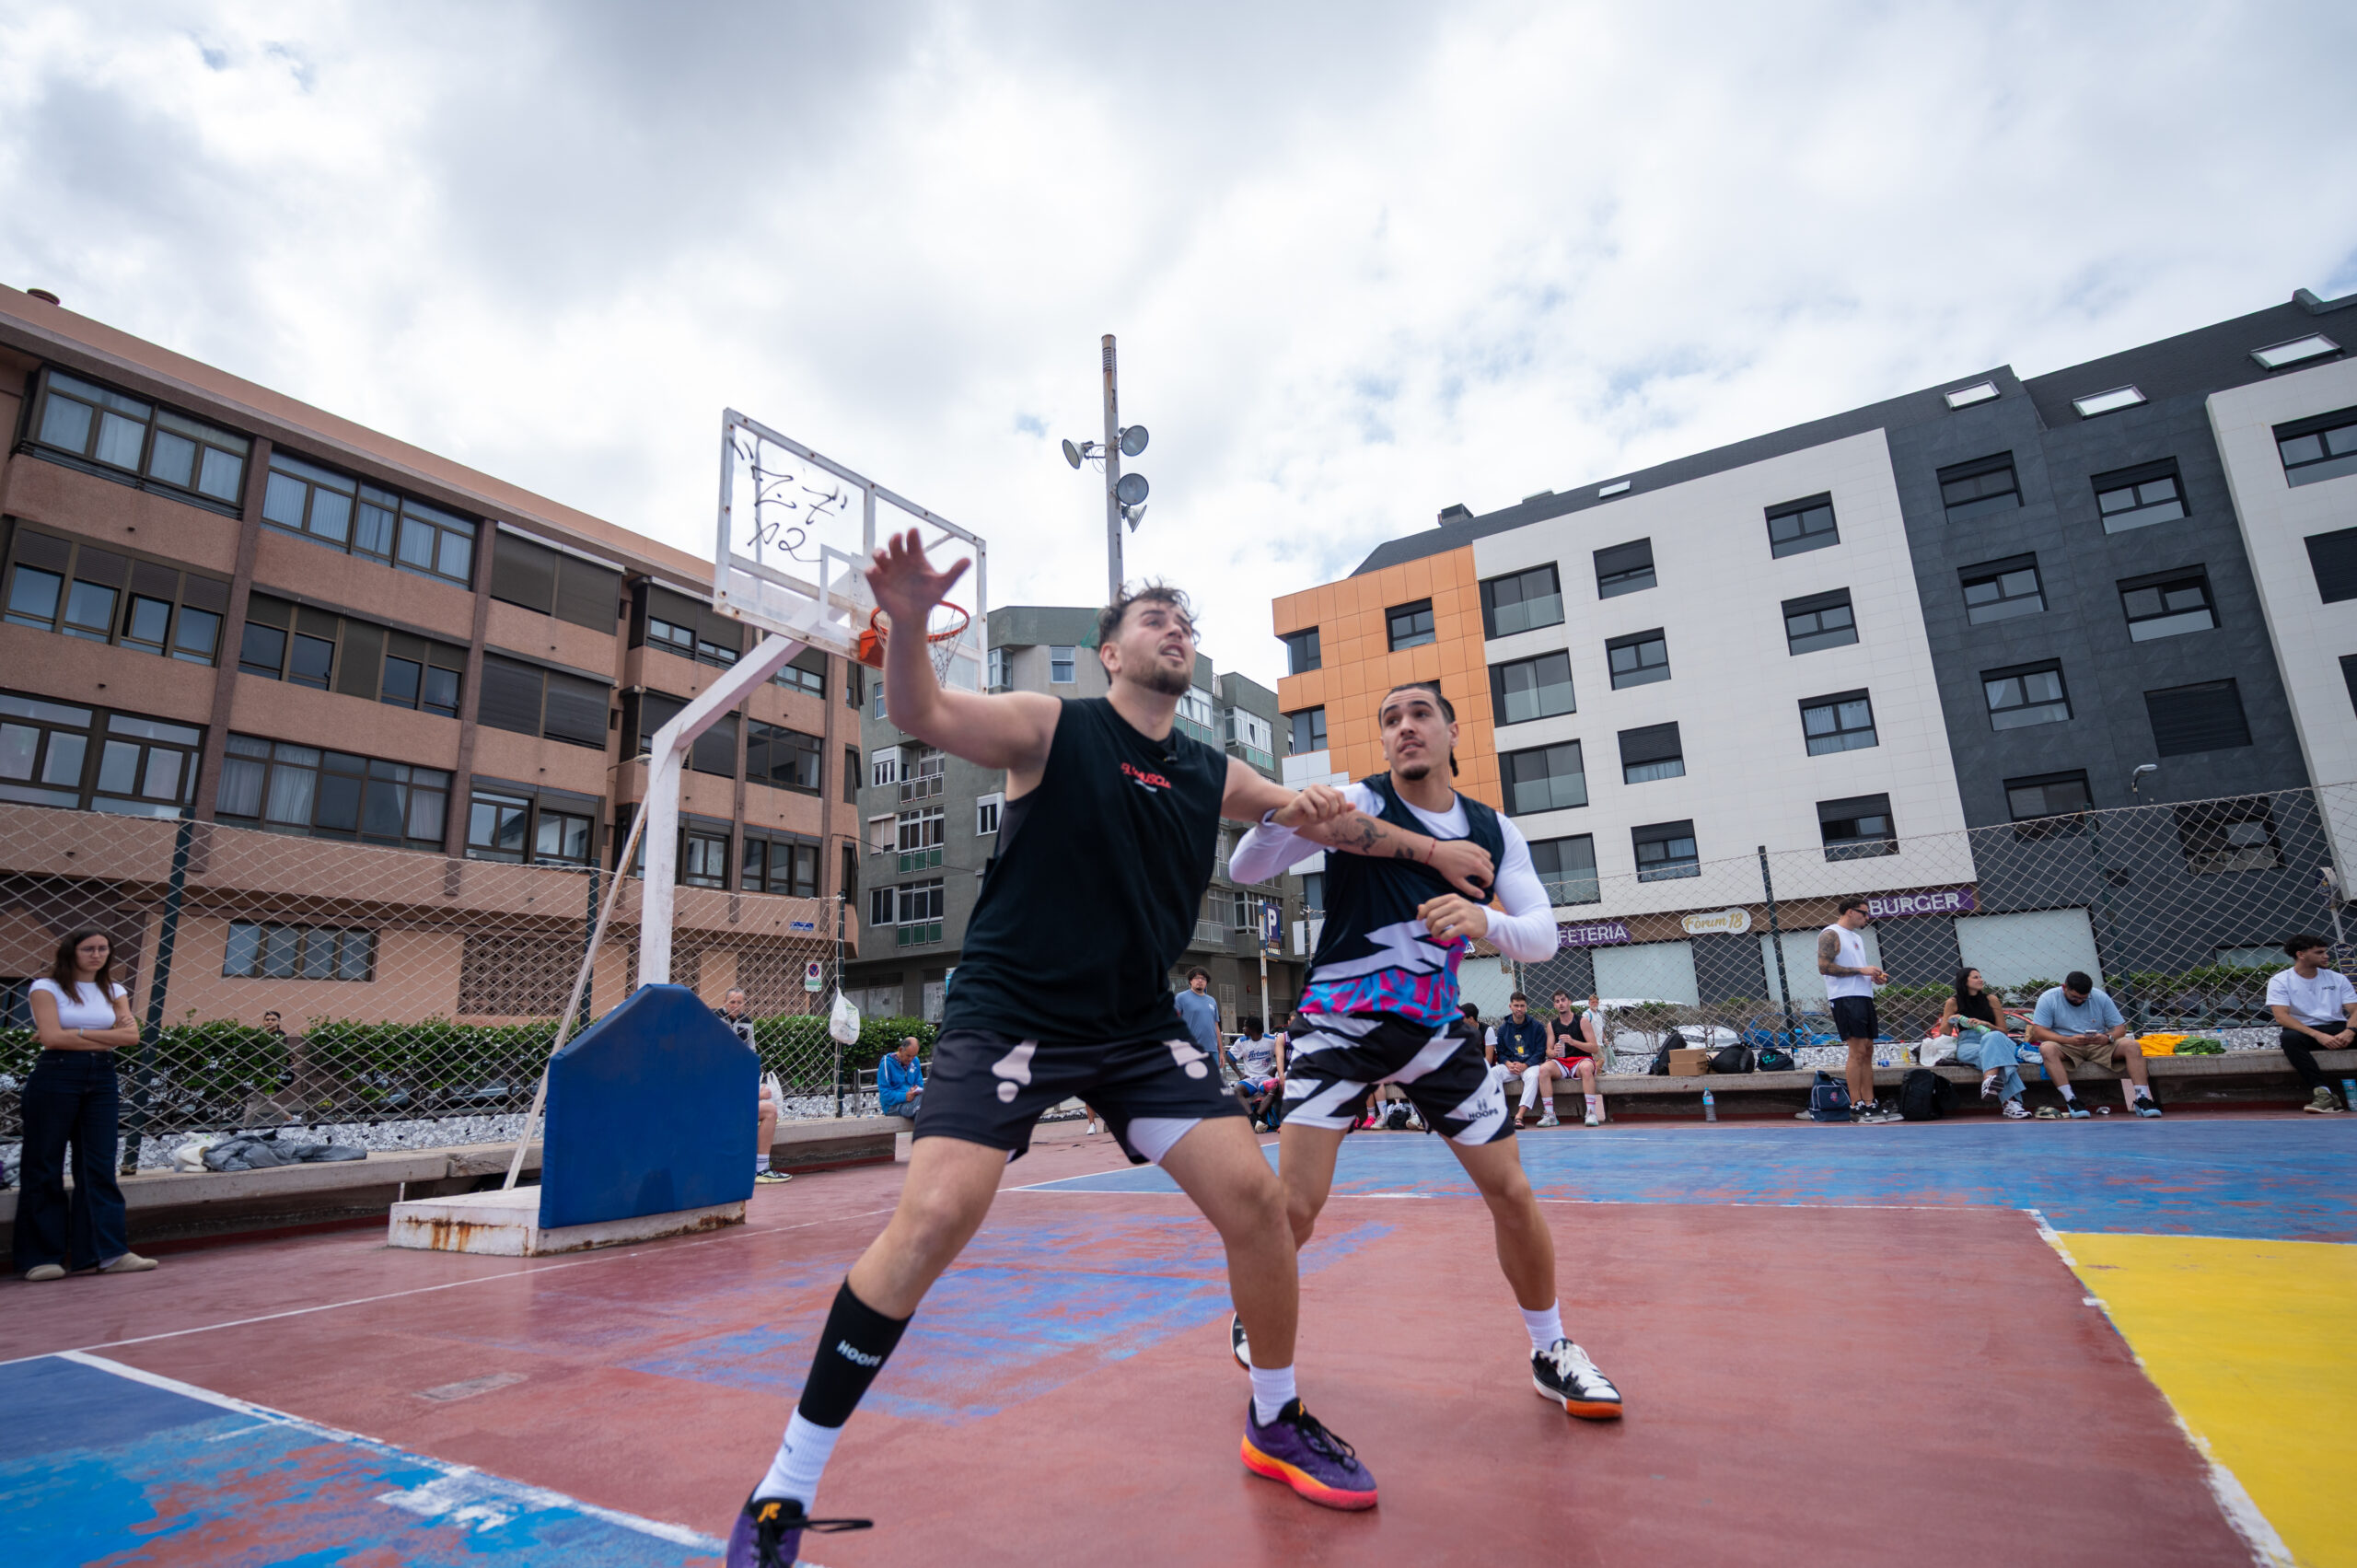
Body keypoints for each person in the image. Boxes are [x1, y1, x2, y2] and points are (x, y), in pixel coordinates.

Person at [726, 544, 1496, 1565]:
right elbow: (924, 711)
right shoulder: (1052, 727)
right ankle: (784, 1486)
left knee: (1259, 1206)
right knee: (936, 1216)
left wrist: (1428, 848)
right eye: (1153, 619)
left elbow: (1335, 825)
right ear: (1109, 654)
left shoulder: (1210, 770)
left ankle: (1275, 1416)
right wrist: (906, 626)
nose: (1175, 629)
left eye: (1185, 622)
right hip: (1013, 1011)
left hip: (1136, 1027)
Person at [1228, 679, 1622, 1429]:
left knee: (1512, 1192)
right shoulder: (1359, 801)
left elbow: (1543, 935)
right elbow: (1249, 869)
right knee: (1296, 1206)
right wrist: (1286, 814)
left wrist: (1484, 919)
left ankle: (1551, 1347)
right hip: (1338, 1025)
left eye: (1420, 714)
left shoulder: (1494, 830)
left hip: (1436, 1032)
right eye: (1390, 718)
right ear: (1383, 740)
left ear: (1451, 732)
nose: (1404, 726)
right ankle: (1256, 1304)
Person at [13, 929, 157, 1281]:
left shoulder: (114, 990)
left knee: (99, 1163)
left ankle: (109, 1252)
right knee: (44, 1162)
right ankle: (41, 1257)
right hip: (57, 1074)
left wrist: (75, 1033)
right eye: (88, 949)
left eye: (103, 949)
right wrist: (103, 1037)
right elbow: (51, 1039)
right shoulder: (46, 988)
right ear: (71, 952)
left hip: (103, 1077)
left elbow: (131, 1037)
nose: (97, 954)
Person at [2027, 971, 2160, 1119]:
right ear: (2064, 987)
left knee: (2132, 1046)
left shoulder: (2100, 997)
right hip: (2066, 1045)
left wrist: (2107, 1038)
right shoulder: (2048, 998)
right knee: (2047, 1048)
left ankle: (2142, 1098)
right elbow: (2039, 1032)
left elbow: (2120, 1029)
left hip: (2099, 1045)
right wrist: (2067, 1040)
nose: (2079, 1001)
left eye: (2084, 998)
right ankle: (2072, 1100)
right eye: (2075, 997)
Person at [1818, 895, 1898, 1123]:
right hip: (1845, 998)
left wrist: (1872, 977)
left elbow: (1858, 970)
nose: (1866, 918)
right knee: (1857, 1051)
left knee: (1868, 1049)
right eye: (1864, 913)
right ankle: (1856, 1105)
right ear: (1850, 912)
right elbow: (1824, 967)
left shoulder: (1856, 938)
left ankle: (1870, 1103)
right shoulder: (1831, 933)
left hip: (1863, 996)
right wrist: (1861, 970)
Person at [2265, 935, 2355, 1114]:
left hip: (2338, 1028)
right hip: (2305, 1031)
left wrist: (2350, 1031)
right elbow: (2282, 1017)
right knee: (2289, 1038)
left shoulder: (2337, 978)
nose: (2326, 956)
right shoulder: (2280, 980)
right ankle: (2323, 1094)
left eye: (2325, 952)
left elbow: (2355, 1010)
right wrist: (2318, 1035)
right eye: (2319, 953)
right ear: (2301, 954)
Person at [1935, 968, 2032, 1121]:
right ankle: (2010, 1104)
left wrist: (1986, 1024)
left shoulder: (1991, 999)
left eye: (1980, 977)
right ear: (1964, 981)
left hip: (1995, 1039)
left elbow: (2003, 1032)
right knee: (1999, 1060)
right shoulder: (1953, 1002)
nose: (1981, 980)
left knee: (1993, 1039)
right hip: (1968, 1044)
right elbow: (1945, 1032)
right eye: (1975, 977)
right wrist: (1952, 1019)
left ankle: (1990, 1082)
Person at [718, 990, 790, 1185]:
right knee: (763, 1107)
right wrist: (757, 1096)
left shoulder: (747, 1023)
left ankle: (761, 1168)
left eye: (739, 1002)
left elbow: (751, 1053)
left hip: (733, 1101)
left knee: (770, 1110)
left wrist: (756, 1087)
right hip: (716, 1108)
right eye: (732, 1002)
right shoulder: (714, 1020)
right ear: (724, 1002)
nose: (735, 1006)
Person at [1523, 989, 1606, 1128]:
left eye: (1563, 1000)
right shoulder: (1552, 1025)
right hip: (1562, 1062)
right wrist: (1554, 1052)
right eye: (1557, 1001)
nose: (1560, 1003)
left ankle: (1591, 1112)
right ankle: (1550, 1115)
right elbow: (1548, 1051)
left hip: (1581, 1060)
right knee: (1543, 1069)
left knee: (1586, 1068)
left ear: (1569, 1002)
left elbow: (1594, 1048)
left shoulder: (1582, 1021)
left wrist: (1573, 1042)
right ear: (1554, 1005)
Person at [1491, 992, 1552, 1128]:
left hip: (1530, 1065)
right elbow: (1500, 1053)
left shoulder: (1536, 1026)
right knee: (1494, 1072)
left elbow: (1540, 1052)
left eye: (1522, 1006)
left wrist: (1526, 1065)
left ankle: (1519, 1115)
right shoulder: (1503, 1029)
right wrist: (1508, 1064)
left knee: (1533, 1076)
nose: (1519, 1009)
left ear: (1526, 1007)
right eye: (1516, 1005)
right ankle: (1502, 1115)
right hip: (1511, 1067)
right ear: (1510, 1006)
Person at [1229, 1016, 1285, 1130]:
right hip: (1250, 1079)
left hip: (1266, 1078)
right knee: (1236, 1090)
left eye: (1245, 1026)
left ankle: (1258, 1115)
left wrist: (1274, 1070)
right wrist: (1240, 1074)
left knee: (1276, 1088)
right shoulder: (1242, 1042)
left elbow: (1283, 1056)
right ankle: (1253, 1118)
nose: (1243, 1029)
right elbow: (1229, 1057)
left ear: (1252, 1029)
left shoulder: (1271, 1040)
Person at [878, 1035, 927, 1122]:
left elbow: (919, 1084)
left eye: (914, 1056)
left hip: (913, 1101)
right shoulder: (886, 1064)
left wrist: (916, 1090)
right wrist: (904, 1096)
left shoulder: (915, 1061)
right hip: (893, 1106)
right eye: (908, 1056)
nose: (911, 1059)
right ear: (900, 1050)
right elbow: (884, 1093)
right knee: (921, 1109)